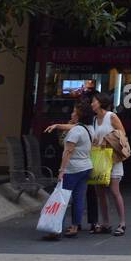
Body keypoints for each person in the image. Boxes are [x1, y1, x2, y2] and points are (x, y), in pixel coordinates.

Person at [45, 101, 95, 239]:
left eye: (74, 112)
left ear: (79, 115)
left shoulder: (75, 131)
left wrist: (61, 170)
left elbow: (68, 152)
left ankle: (55, 230)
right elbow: (72, 126)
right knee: (79, 198)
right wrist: (57, 126)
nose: (72, 113)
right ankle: (74, 227)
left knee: (62, 199)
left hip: (72, 169)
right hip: (86, 167)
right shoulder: (89, 128)